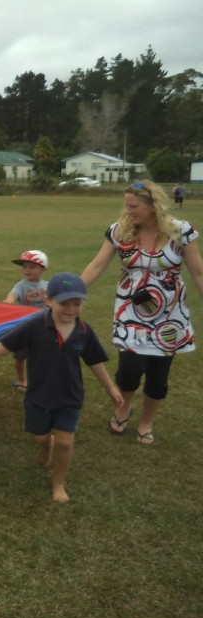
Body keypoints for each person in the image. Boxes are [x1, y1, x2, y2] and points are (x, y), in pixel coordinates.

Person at [0, 273, 123, 503]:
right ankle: (46, 446)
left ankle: (59, 483)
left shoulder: (84, 330)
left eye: (77, 303)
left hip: (70, 397)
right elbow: (11, 342)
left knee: (65, 443)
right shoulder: (36, 325)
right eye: (64, 303)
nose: (71, 309)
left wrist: (111, 388)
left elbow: (95, 361)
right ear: (48, 301)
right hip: (39, 395)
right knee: (40, 438)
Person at [80, 179, 203, 445]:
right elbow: (97, 265)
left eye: (134, 206)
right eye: (127, 205)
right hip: (130, 313)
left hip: (169, 316)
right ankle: (124, 407)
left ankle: (146, 422)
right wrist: (72, 292)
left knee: (158, 376)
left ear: (152, 205)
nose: (128, 211)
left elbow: (198, 272)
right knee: (129, 371)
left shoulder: (180, 232)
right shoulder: (120, 231)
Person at [3, 250, 50, 392]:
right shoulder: (21, 285)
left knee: (41, 356)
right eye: (24, 267)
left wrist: (52, 302)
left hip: (43, 327)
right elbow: (13, 294)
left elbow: (54, 299)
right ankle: (22, 380)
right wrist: (10, 299)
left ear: (42, 269)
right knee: (20, 356)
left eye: (31, 267)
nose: (27, 270)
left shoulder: (47, 285)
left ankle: (40, 380)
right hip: (25, 327)